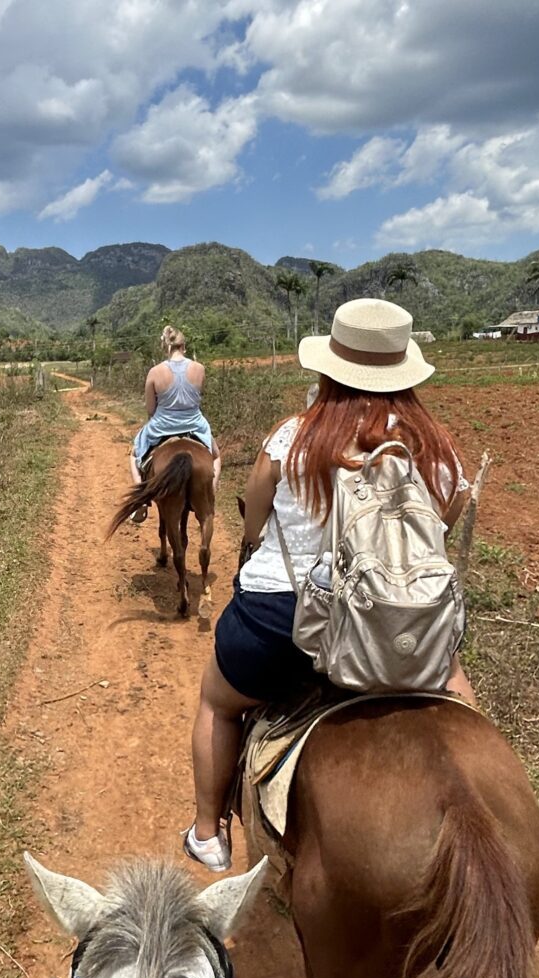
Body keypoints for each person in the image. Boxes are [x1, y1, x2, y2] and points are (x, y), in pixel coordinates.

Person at [183, 298, 476, 871]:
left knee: (217, 702)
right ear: (403, 372)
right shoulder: (434, 447)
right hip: (396, 625)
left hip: (285, 622)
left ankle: (207, 833)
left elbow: (254, 523)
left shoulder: (292, 438)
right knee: (462, 703)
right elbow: (449, 513)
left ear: (329, 368)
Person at [128, 326, 221, 522]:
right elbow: (198, 398)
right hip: (195, 424)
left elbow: (150, 409)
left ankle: (140, 502)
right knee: (216, 456)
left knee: (135, 455)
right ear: (184, 346)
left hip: (162, 425)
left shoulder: (155, 372)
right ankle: (210, 494)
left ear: (165, 347)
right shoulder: (199, 369)